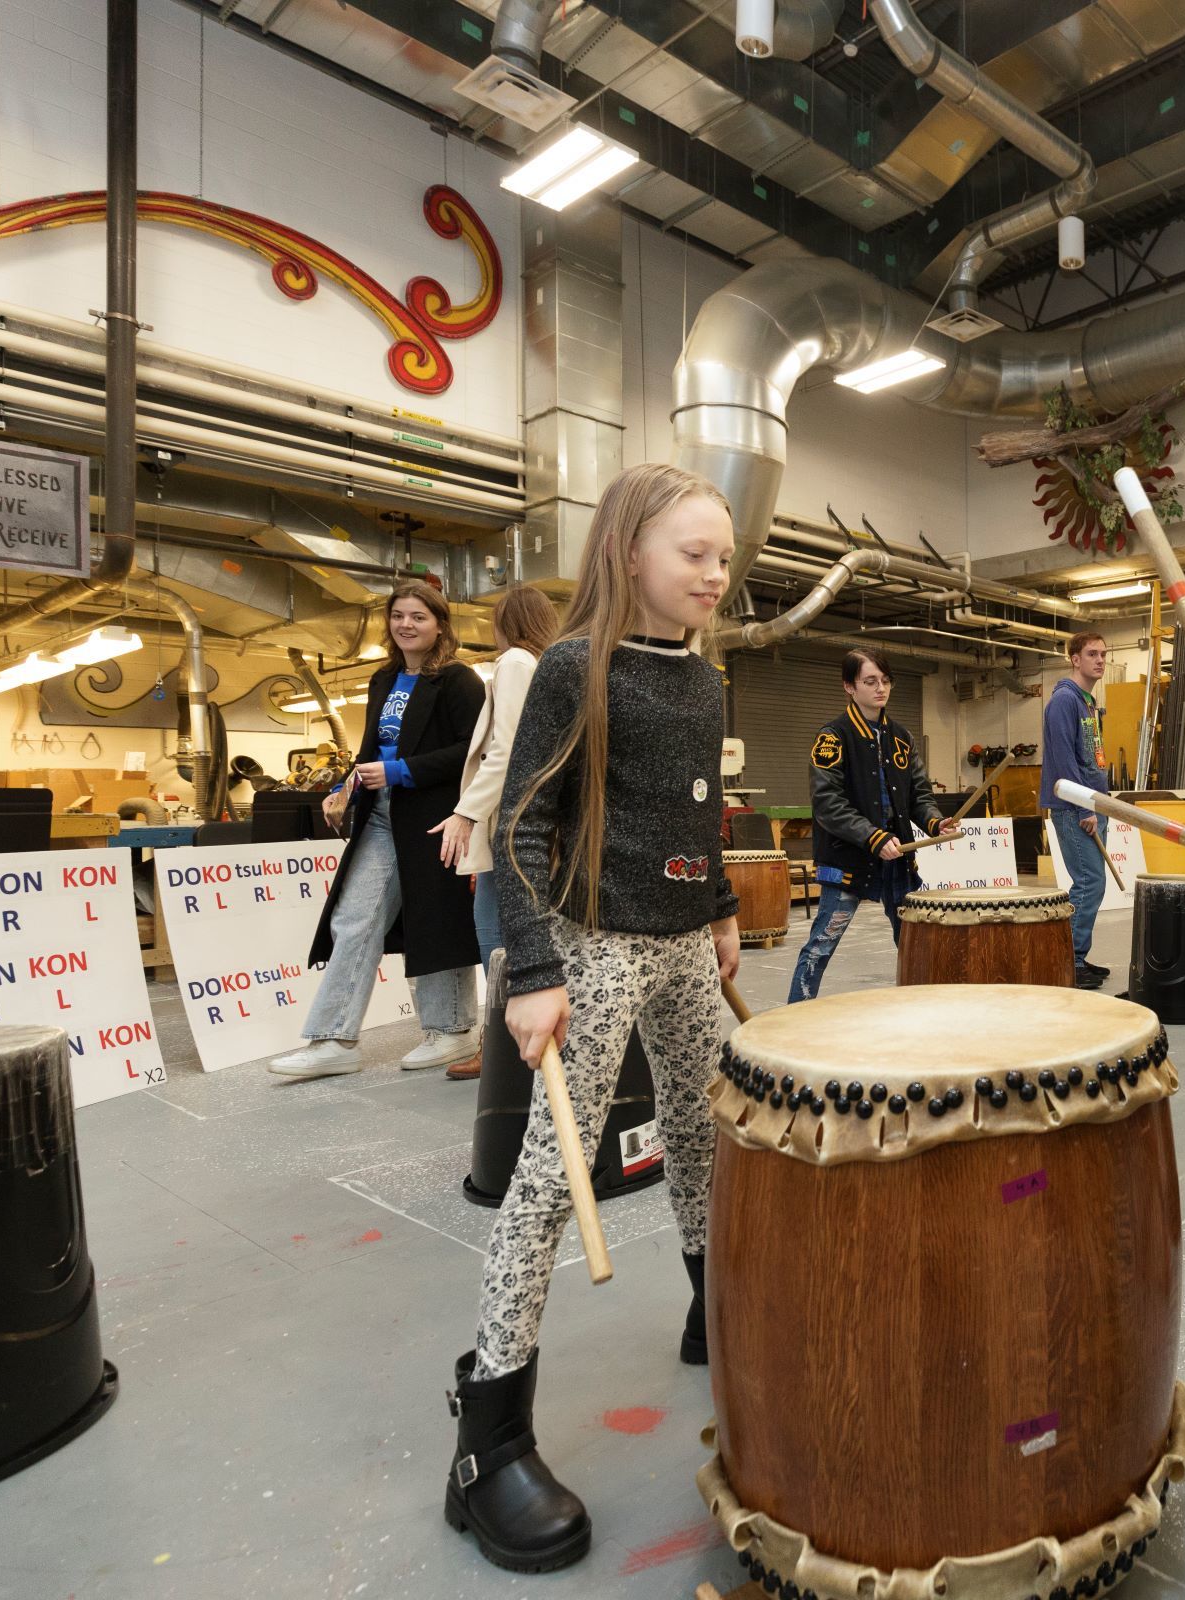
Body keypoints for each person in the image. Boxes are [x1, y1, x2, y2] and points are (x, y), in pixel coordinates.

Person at [444, 463, 742, 1574]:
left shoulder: (703, 680)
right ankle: (487, 1435)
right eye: (693, 554)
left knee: (709, 1135)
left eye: (722, 555)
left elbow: (695, 813)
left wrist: (714, 907)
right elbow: (521, 824)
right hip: (597, 948)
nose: (715, 572)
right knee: (544, 1187)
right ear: (629, 555)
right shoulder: (576, 667)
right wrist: (529, 967)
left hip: (681, 949)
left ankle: (716, 1317)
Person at [269, 583, 484, 1079]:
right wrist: (345, 786)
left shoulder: (458, 681)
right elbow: (370, 746)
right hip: (381, 813)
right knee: (354, 918)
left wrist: (401, 772)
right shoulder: (384, 678)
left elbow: (472, 752)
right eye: (398, 616)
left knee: (436, 918)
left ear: (440, 625)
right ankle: (333, 1040)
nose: (407, 625)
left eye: (420, 617)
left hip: (437, 816)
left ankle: (452, 1029)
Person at [433, 583, 560, 1080]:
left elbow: (505, 749)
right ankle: (514, 1041)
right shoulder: (546, 664)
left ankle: (504, 1047)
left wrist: (466, 812)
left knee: (493, 932)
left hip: (508, 819)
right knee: (515, 926)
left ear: (506, 622)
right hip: (532, 817)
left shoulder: (513, 664)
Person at [786, 647, 956, 1003]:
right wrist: (873, 836)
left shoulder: (901, 738)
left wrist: (935, 822)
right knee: (820, 947)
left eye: (885, 680)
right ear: (849, 686)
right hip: (848, 862)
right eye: (870, 681)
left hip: (898, 863)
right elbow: (828, 804)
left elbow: (918, 795)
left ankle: (923, 1013)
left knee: (915, 946)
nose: (880, 688)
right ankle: (793, 1017)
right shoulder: (833, 737)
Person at [1040, 630, 1112, 988]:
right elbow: (1064, 760)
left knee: (1091, 884)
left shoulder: (1086, 701)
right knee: (1088, 882)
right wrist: (1084, 807)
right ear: (1074, 658)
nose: (1100, 660)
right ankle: (1067, 960)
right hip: (1075, 809)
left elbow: (1090, 757)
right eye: (1092, 654)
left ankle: (1077, 955)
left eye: (1103, 654)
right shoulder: (1064, 702)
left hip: (1092, 806)